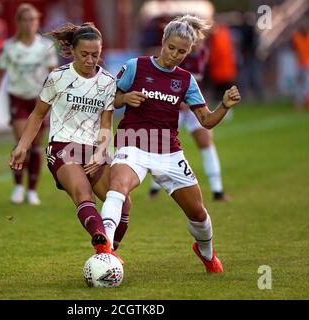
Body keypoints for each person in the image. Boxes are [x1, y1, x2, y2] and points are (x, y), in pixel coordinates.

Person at [100, 15, 241, 273]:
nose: (175, 55)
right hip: (134, 143)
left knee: (198, 213)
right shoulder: (136, 66)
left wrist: (224, 105)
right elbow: (110, 98)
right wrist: (125, 98)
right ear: (163, 42)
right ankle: (105, 250)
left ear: (189, 52)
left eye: (182, 52)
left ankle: (206, 253)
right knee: (118, 187)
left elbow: (206, 121)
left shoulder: (187, 80)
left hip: (169, 151)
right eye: (171, 48)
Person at [9, 22, 131, 260]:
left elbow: (107, 125)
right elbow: (37, 115)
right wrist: (22, 146)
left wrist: (100, 153)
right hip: (63, 148)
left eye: (95, 55)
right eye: (84, 54)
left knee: (124, 203)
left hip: (94, 150)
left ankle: (109, 255)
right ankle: (101, 243)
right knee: (83, 194)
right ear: (72, 51)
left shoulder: (107, 82)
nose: (90, 60)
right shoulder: (58, 77)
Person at [0, 3, 58, 205]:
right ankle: (18, 186)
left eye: (33, 20)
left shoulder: (45, 46)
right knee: (22, 141)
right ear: (18, 22)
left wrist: (55, 101)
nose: (29, 24)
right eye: (25, 20)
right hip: (17, 98)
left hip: (38, 99)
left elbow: (53, 75)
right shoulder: (9, 47)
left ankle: (32, 190)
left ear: (38, 21)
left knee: (35, 145)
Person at [149, 41, 230, 202]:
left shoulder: (203, 52)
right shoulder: (177, 54)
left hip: (194, 107)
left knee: (206, 143)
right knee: (161, 147)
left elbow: (197, 81)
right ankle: (154, 189)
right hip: (172, 106)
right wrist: (179, 100)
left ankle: (217, 191)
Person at [291, 17, 309, 110]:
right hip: (300, 63)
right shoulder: (296, 36)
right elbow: (294, 48)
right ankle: (299, 101)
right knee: (299, 83)